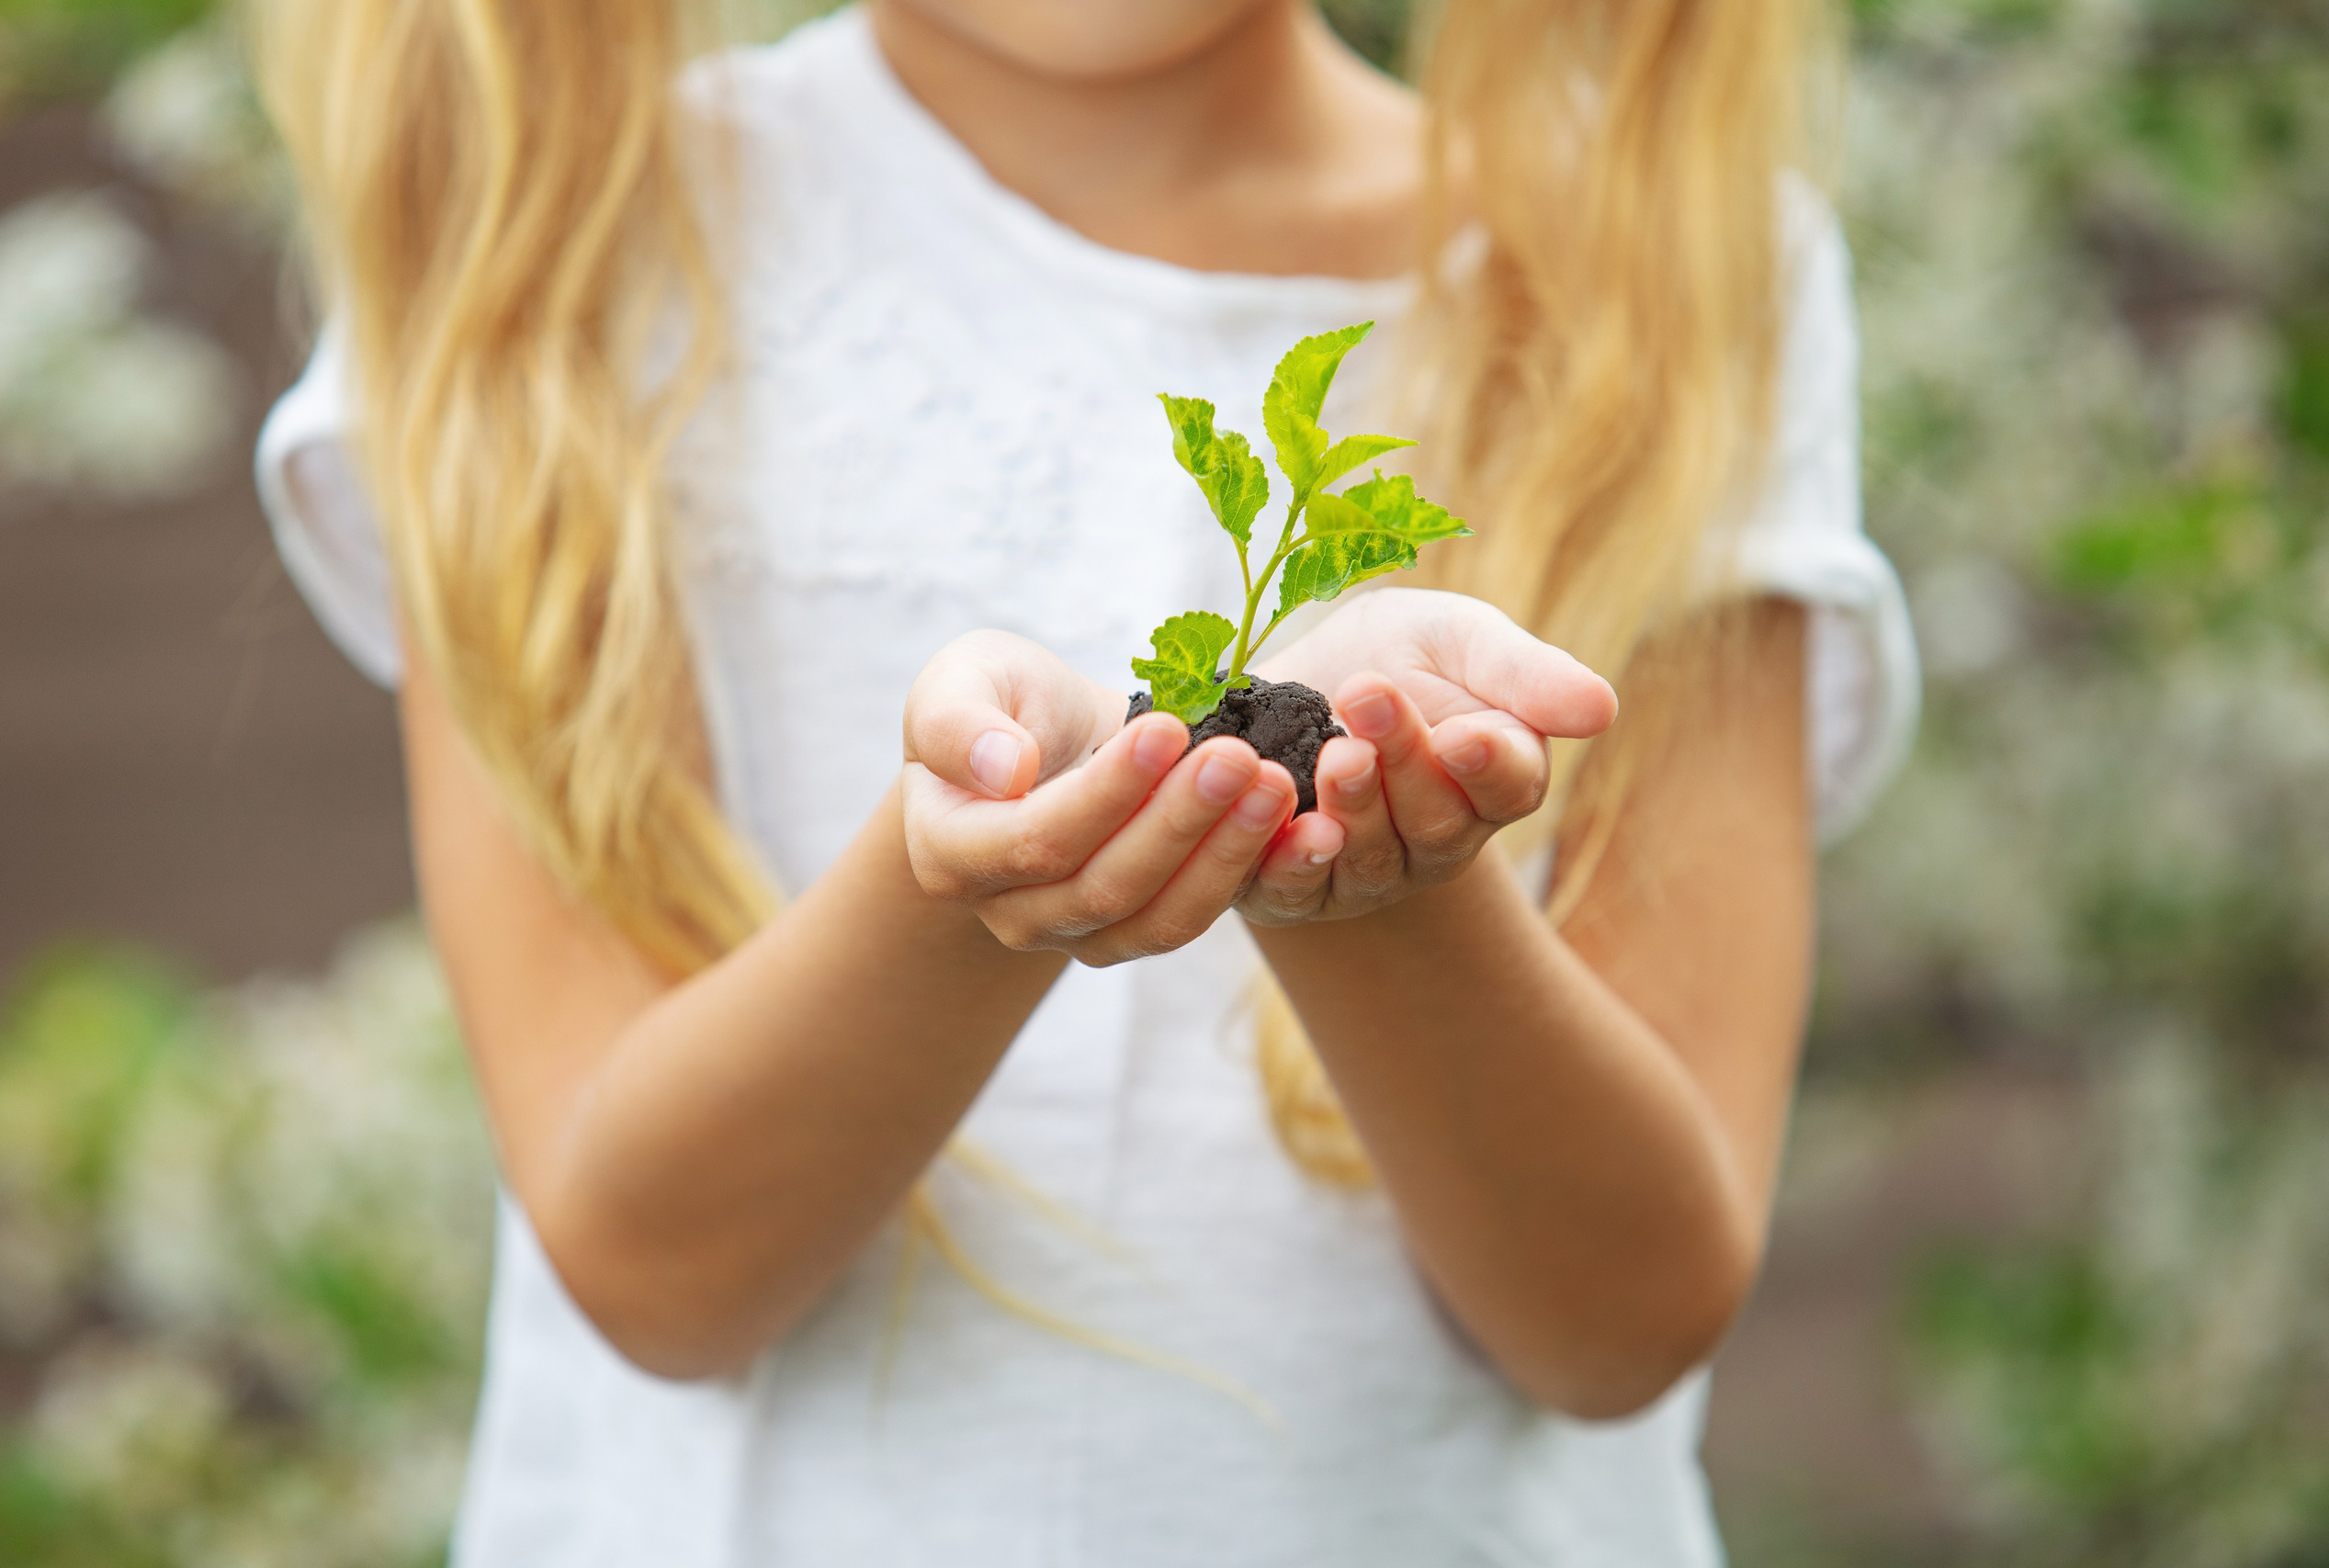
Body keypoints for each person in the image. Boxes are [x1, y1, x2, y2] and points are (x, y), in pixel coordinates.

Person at [251, 0, 1917, 1562]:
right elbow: (657, 1269)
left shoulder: (1671, 288)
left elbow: (1620, 1314)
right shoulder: (560, 258)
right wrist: (960, 894)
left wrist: (1357, 868)